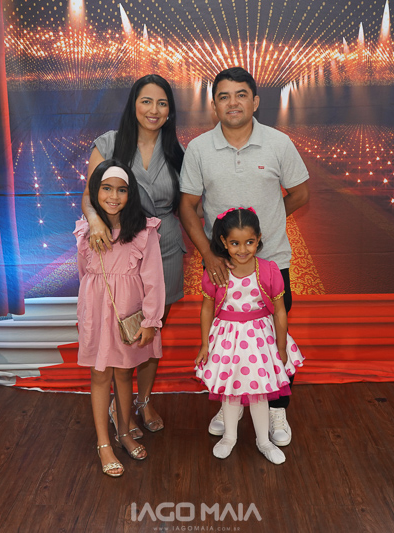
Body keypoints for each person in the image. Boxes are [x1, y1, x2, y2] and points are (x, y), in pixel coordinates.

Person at [179, 67, 310, 446]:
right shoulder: (199, 149)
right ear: (214, 105)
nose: (232, 103)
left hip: (273, 262)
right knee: (228, 340)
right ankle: (230, 405)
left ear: (255, 101)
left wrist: (263, 229)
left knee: (272, 336)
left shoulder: (279, 143)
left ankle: (277, 407)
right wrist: (211, 253)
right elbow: (187, 206)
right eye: (223, 96)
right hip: (221, 267)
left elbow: (300, 194)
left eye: (240, 95)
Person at [83, 74, 185, 438]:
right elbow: (89, 196)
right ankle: (117, 404)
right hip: (119, 250)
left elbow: (189, 203)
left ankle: (143, 401)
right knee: (118, 331)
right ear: (133, 104)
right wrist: (96, 221)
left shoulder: (177, 152)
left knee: (149, 330)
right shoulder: (110, 143)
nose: (153, 110)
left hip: (164, 248)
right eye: (146, 101)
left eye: (162, 103)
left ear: (170, 110)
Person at [75, 160, 165, 477]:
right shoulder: (85, 231)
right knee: (100, 375)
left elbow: (154, 279)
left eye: (121, 190)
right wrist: (85, 315)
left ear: (131, 193)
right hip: (96, 314)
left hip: (128, 314)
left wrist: (150, 321)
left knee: (125, 374)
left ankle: (124, 431)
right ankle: (104, 443)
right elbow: (84, 275)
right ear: (96, 191)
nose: (114, 196)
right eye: (106, 188)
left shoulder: (143, 232)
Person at [194, 208, 304, 464]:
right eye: (235, 243)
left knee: (260, 393)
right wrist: (204, 344)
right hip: (227, 339)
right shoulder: (217, 271)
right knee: (230, 392)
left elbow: (279, 311)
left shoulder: (268, 270)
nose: (242, 249)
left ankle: (263, 441)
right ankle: (229, 437)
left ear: (259, 239)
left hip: (259, 340)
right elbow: (207, 308)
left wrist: (281, 346)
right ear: (224, 242)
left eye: (249, 242)